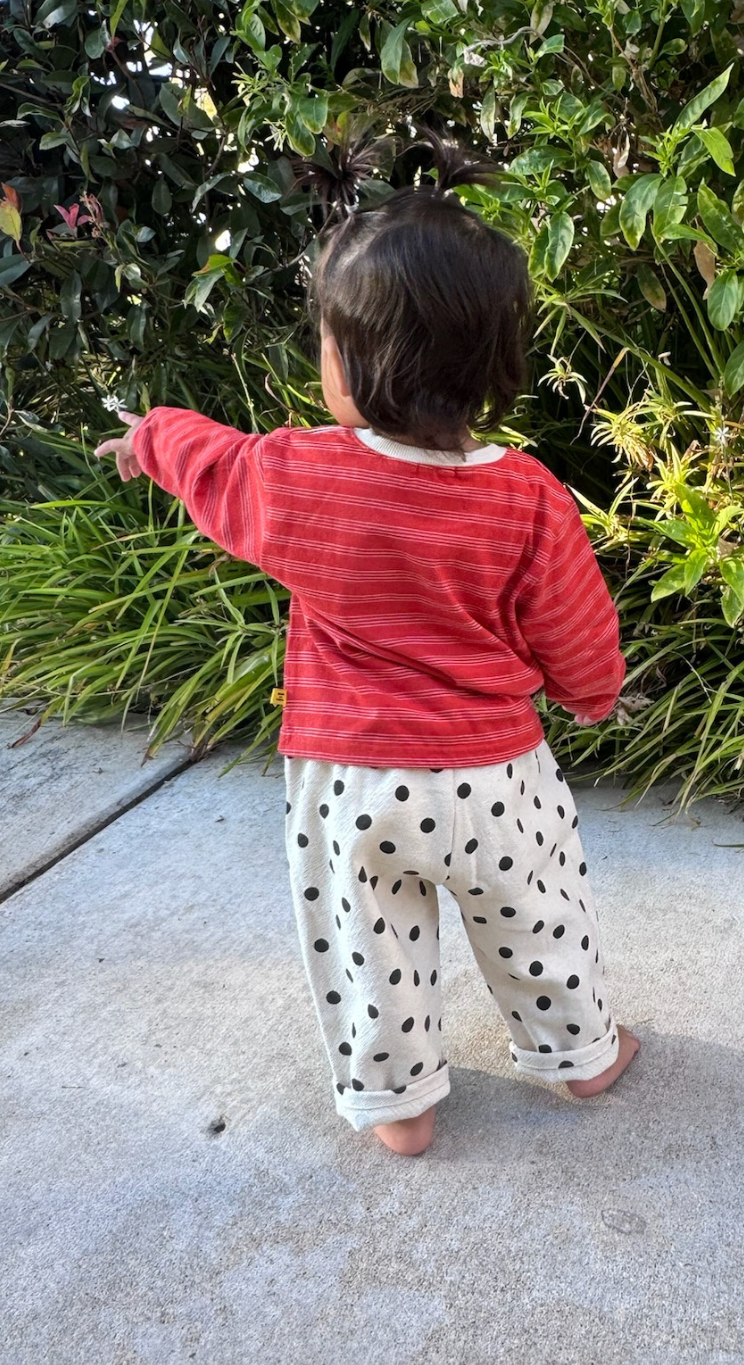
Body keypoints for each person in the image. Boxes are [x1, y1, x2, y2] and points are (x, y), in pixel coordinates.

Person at [95, 133, 640, 1157]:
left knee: (367, 948)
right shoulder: (527, 497)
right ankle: (583, 1054)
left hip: (347, 783)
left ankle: (399, 1108)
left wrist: (149, 435)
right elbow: (580, 641)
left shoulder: (301, 475)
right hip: (492, 778)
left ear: (355, 362)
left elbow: (211, 461)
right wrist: (595, 698)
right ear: (492, 364)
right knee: (539, 915)